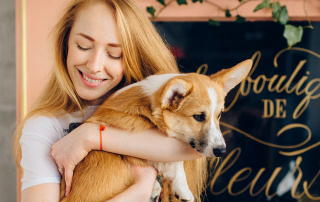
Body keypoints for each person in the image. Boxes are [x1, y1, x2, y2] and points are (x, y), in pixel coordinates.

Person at [14, 0, 206, 201]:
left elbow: (196, 147)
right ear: (65, 44)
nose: (95, 66)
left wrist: (91, 136)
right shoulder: (46, 126)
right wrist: (138, 192)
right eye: (83, 46)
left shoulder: (158, 111)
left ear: (133, 56)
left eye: (114, 54)